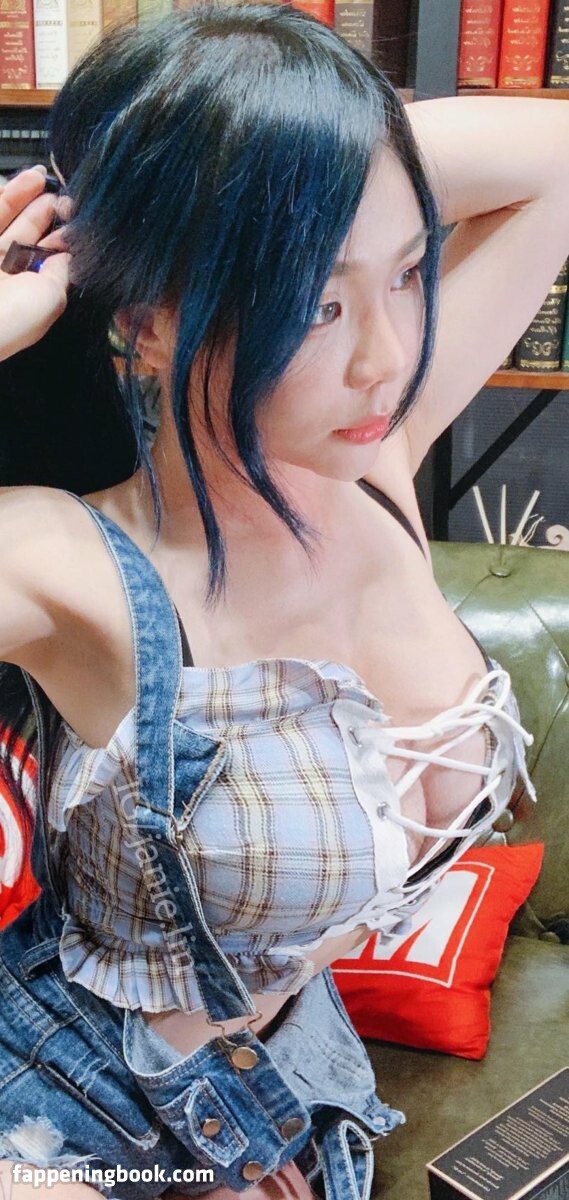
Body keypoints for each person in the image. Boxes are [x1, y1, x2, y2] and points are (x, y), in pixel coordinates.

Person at [0, 5, 568, 1197]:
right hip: (68, 1120)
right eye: (313, 302)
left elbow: (553, 157)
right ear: (144, 320)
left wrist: (296, 154)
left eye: (405, 273)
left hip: (286, 1094)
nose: (385, 357)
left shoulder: (369, 459)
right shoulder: (66, 563)